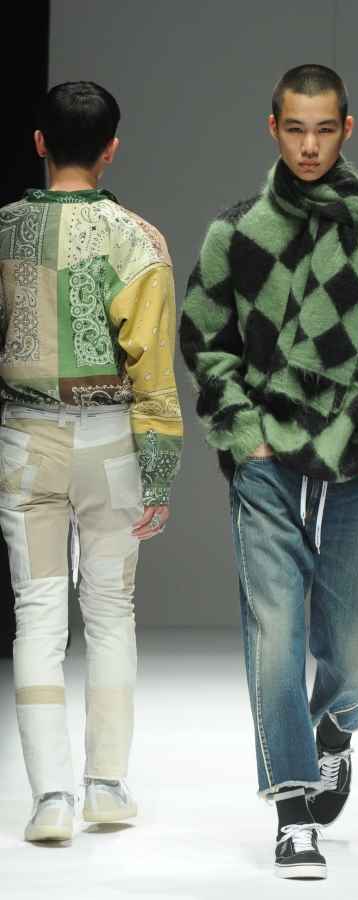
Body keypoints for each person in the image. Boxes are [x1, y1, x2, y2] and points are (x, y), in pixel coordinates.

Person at [180, 63, 358, 880]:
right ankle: (292, 812)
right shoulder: (236, 233)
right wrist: (243, 435)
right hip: (266, 463)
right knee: (275, 631)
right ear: (273, 128)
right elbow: (205, 340)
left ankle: (334, 730)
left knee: (355, 646)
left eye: (324, 129)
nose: (308, 146)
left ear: (346, 129)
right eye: (294, 128)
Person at [0, 81, 183, 842]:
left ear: (39, 143)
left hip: (25, 443)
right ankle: (105, 787)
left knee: (37, 616)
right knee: (109, 612)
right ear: (111, 149)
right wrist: (160, 474)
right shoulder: (136, 240)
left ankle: (50, 800)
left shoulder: (4, 232)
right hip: (110, 443)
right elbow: (154, 371)